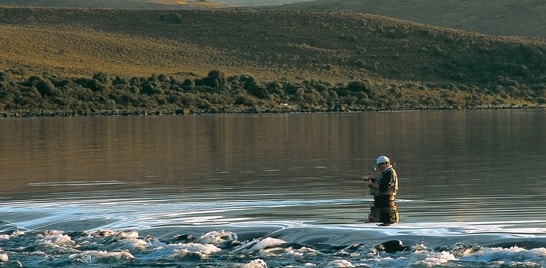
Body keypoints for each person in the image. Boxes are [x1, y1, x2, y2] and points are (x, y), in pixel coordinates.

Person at [364, 156, 399, 224]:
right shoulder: (386, 173)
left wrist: (371, 184)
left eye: (379, 165)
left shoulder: (389, 173)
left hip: (386, 201)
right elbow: (380, 181)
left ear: (385, 164)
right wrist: (369, 179)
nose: (378, 167)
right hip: (383, 201)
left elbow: (383, 187)